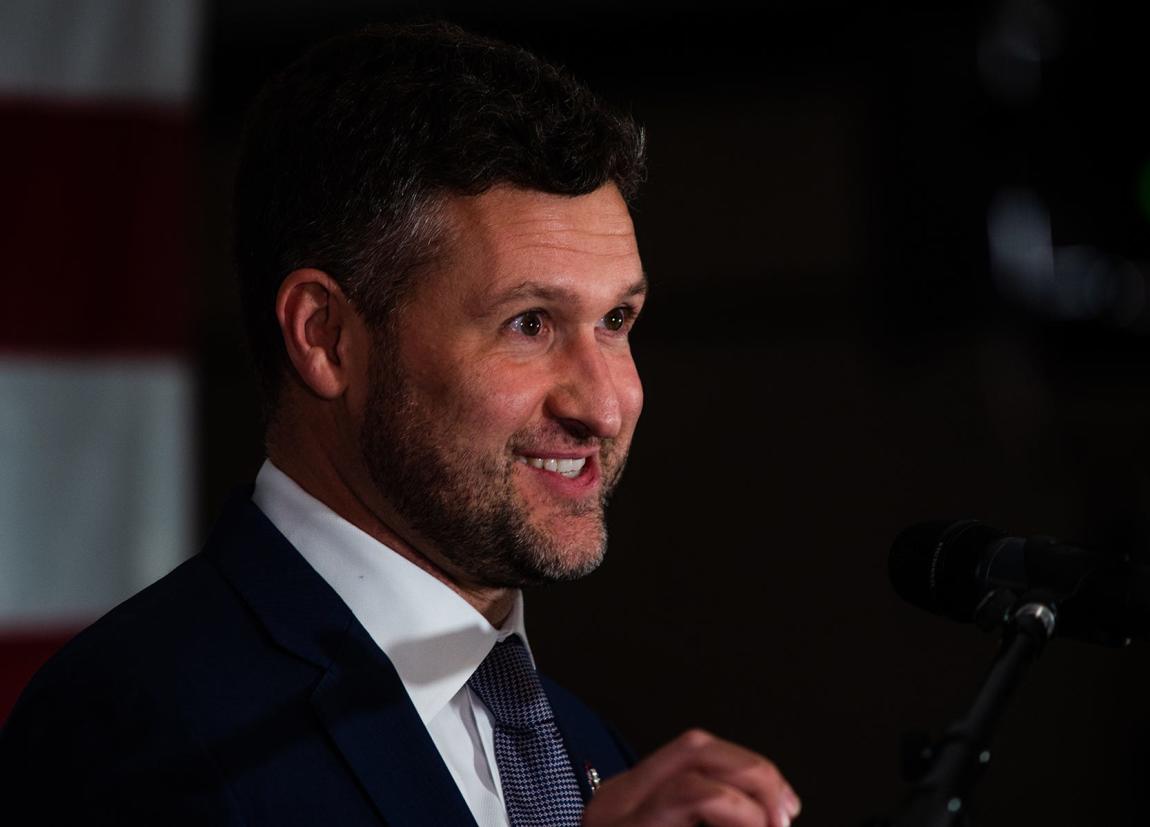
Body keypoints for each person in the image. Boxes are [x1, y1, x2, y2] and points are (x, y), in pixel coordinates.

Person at [0, 22, 800, 827]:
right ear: (325, 336)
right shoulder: (135, 725)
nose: (603, 403)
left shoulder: (589, 745)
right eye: (529, 323)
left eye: (617, 318)